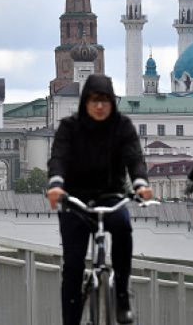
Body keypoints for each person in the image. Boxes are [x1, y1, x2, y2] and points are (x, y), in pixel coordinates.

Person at [46, 74, 153, 325]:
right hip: (75, 199)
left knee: (123, 227)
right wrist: (56, 185)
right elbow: (58, 158)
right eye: (94, 100)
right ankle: (70, 320)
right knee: (73, 265)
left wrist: (140, 183)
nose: (100, 106)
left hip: (110, 196)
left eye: (105, 100)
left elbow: (134, 158)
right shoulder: (69, 128)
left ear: (112, 103)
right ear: (85, 102)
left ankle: (123, 295)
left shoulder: (122, 126)